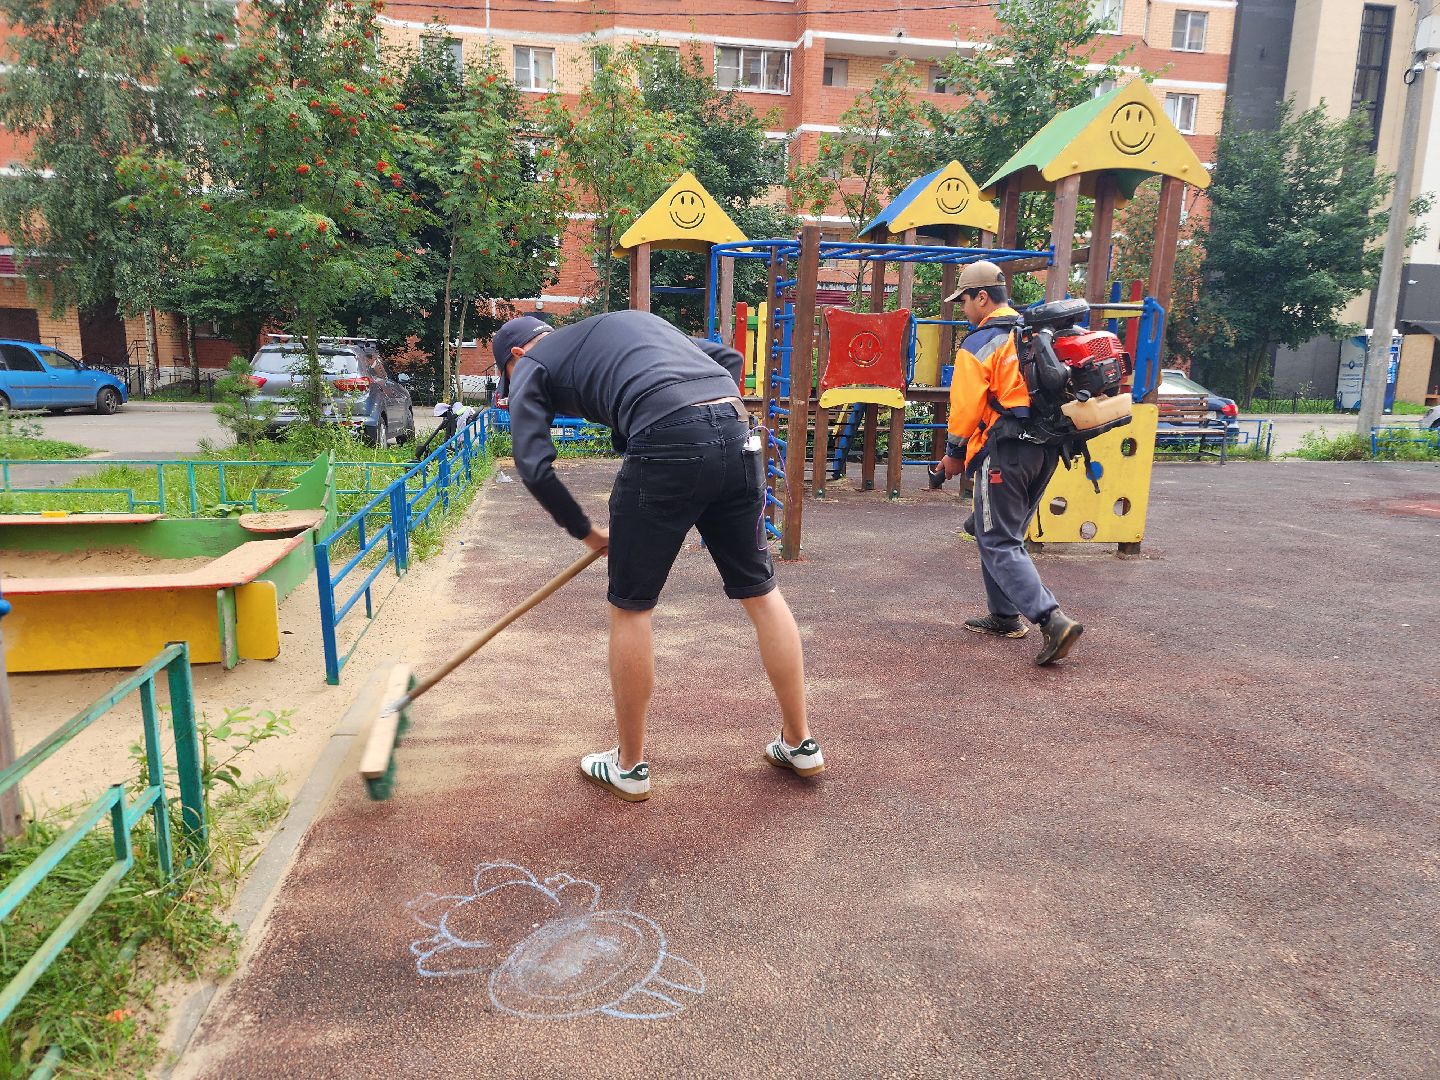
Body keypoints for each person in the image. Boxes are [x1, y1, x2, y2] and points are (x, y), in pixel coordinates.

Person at [490, 311, 824, 802]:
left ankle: (628, 766)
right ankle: (800, 742)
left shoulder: (532, 363)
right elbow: (725, 357)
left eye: (508, 378)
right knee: (762, 593)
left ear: (515, 356)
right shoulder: (628, 326)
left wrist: (585, 532)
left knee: (631, 607)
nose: (516, 388)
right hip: (736, 432)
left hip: (666, 443)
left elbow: (533, 465)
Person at [936, 261, 1083, 665]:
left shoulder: (981, 342)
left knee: (998, 539)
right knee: (999, 531)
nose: (963, 309)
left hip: (1006, 451)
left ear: (982, 297)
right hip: (1046, 451)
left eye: (964, 300)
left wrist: (953, 456)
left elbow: (966, 409)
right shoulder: (1033, 333)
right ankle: (1004, 616)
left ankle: (1052, 620)